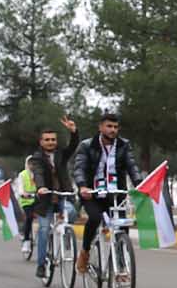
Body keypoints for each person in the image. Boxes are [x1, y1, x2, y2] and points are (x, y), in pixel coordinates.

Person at [71, 112, 143, 273]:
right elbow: (79, 168)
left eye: (115, 127)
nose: (113, 130)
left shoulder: (124, 145)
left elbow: (132, 166)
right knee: (95, 218)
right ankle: (85, 251)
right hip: (92, 193)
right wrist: (82, 186)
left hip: (115, 194)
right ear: (100, 127)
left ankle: (120, 267)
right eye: (109, 126)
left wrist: (139, 184)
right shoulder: (86, 145)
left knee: (122, 228)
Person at [29, 116, 80, 279]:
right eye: (47, 140)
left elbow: (73, 146)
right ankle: (41, 264)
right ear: (41, 141)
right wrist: (41, 187)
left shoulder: (61, 154)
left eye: (53, 139)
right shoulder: (36, 158)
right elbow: (37, 173)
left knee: (71, 212)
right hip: (46, 200)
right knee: (44, 230)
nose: (51, 142)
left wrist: (73, 132)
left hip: (63, 196)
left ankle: (64, 235)